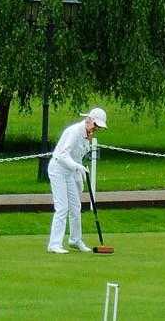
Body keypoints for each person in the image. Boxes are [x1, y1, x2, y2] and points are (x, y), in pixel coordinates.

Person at [47, 107, 107, 254]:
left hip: (70, 172)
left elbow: (78, 157)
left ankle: (75, 240)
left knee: (76, 206)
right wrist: (78, 167)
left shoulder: (87, 135)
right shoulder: (75, 132)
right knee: (62, 207)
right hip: (58, 169)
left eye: (98, 127)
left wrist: (79, 178)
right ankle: (54, 244)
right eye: (96, 125)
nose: (96, 129)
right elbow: (62, 155)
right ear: (89, 120)